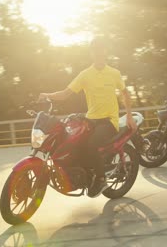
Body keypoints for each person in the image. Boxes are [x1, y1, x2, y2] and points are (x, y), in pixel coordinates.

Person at [39, 37, 137, 197]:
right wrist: (47, 95)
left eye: (101, 48)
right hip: (90, 119)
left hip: (109, 121)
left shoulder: (114, 73)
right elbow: (65, 94)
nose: (98, 52)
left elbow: (126, 94)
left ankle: (100, 179)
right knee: (75, 143)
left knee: (91, 145)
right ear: (92, 52)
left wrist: (129, 116)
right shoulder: (85, 74)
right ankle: (83, 174)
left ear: (105, 51)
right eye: (95, 49)